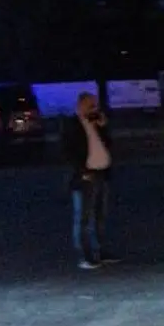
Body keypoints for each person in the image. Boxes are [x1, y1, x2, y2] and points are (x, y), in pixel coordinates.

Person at [62, 92, 119, 269]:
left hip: (102, 173)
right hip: (85, 176)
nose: (94, 109)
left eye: (95, 105)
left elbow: (108, 145)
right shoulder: (72, 125)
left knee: (100, 215)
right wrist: (81, 172)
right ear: (80, 106)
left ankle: (100, 251)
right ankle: (84, 255)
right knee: (84, 217)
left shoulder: (96, 124)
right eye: (90, 105)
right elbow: (68, 152)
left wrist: (103, 126)